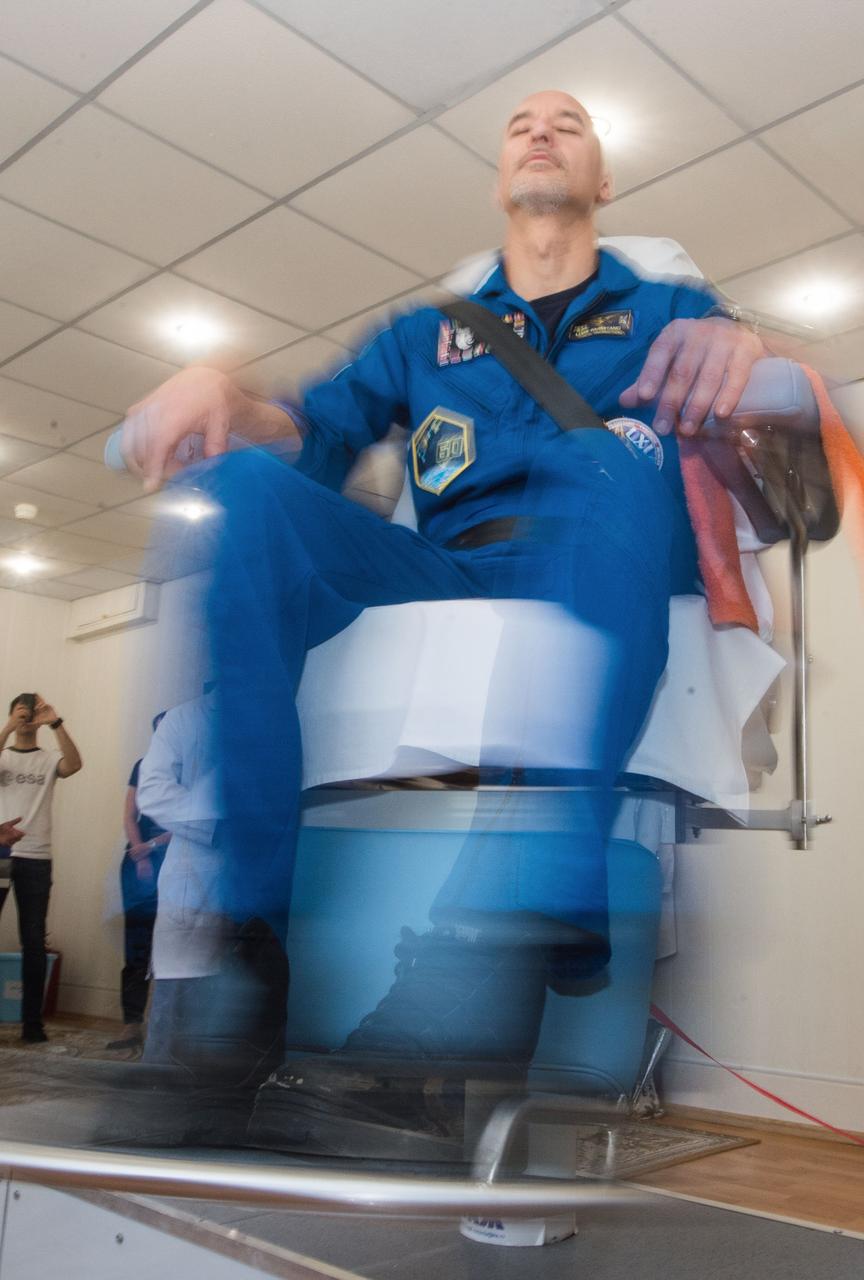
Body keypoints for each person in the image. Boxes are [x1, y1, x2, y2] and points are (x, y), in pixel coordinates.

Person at [117, 88, 765, 1151]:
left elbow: (754, 411)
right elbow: (311, 432)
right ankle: (248, 942)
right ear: (500, 176)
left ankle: (534, 895)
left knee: (614, 450)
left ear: (605, 181)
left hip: (587, 561)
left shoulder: (671, 310)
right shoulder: (426, 335)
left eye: (569, 122)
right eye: (520, 122)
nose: (540, 127)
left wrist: (751, 353)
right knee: (244, 494)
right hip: (446, 563)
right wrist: (226, 397)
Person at [0, 693, 82, 1042]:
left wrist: (55, 722)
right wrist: (8, 726)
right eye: (23, 713)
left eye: (33, 713)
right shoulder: (3, 755)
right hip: (1, 852)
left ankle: (32, 1025)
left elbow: (74, 765)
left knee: (33, 940)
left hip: (37, 856)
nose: (28, 718)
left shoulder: (48, 759)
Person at [106, 712, 171, 1052]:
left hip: (176, 862)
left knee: (173, 947)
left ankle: (167, 1027)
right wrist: (140, 853)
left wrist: (156, 846)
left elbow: (194, 822)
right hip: (139, 863)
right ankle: (132, 1024)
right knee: (137, 947)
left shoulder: (193, 768)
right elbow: (130, 814)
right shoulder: (143, 765)